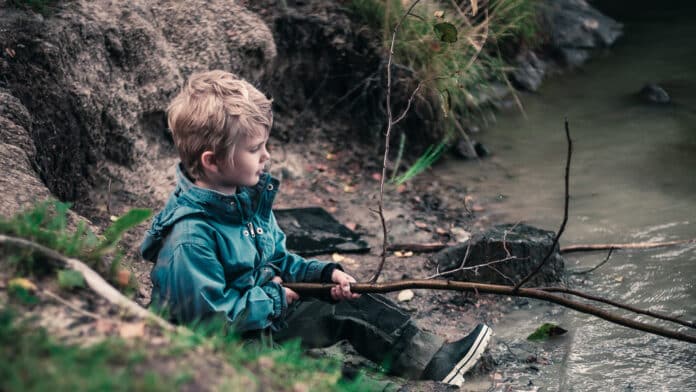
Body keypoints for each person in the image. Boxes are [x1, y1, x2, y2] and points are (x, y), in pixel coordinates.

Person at [140, 70, 492, 386]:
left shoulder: (245, 200)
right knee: (317, 377)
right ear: (212, 161)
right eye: (255, 149)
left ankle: (434, 360)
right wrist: (276, 299)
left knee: (352, 305)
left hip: (265, 316)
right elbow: (210, 322)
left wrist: (324, 276)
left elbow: (277, 258)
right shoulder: (189, 237)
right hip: (223, 349)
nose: (267, 156)